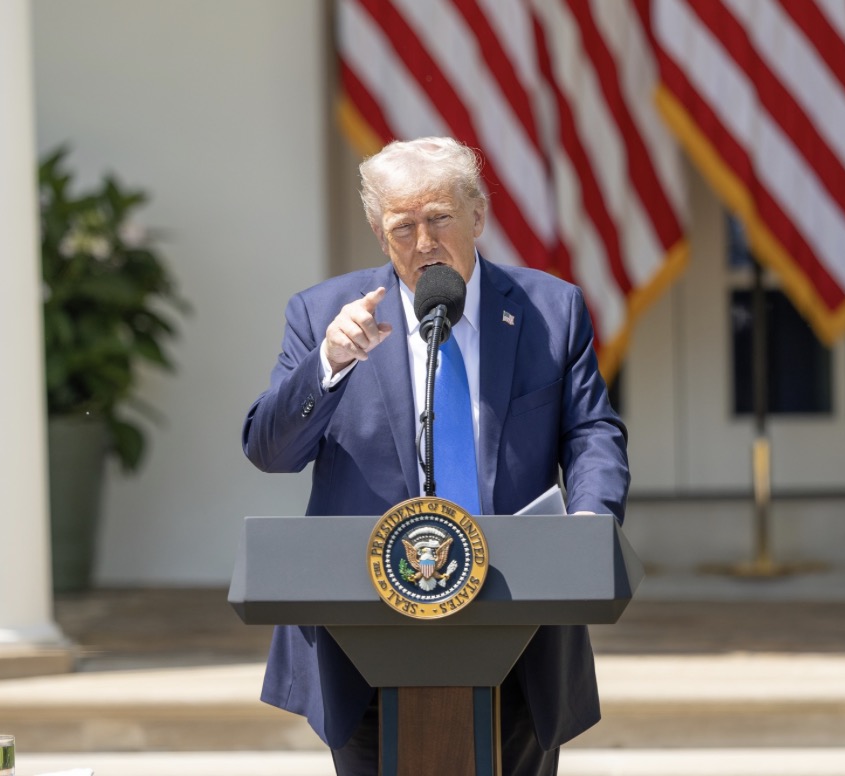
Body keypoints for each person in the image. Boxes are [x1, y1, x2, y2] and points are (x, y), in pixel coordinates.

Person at [242, 136, 629, 776]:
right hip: (362, 630)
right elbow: (270, 450)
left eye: (439, 218)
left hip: (520, 623)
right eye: (402, 226)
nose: (423, 242)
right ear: (378, 232)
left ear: (477, 215)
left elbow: (592, 434)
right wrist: (329, 365)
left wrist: (589, 527)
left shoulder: (548, 310)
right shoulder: (323, 317)